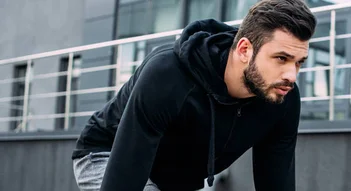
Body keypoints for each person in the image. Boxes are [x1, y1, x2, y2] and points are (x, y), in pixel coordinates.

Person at [70, 0, 316, 190]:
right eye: (281, 58)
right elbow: (125, 177)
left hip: (176, 178)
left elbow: (276, 180)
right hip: (107, 154)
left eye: (299, 63)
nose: (291, 76)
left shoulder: (283, 98)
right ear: (244, 50)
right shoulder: (168, 75)